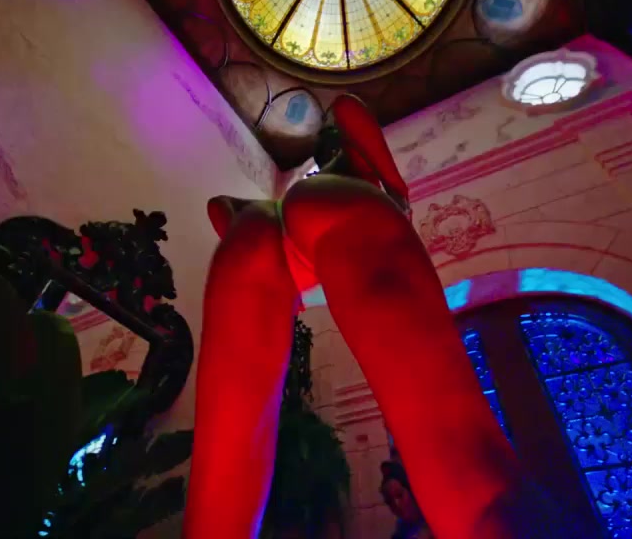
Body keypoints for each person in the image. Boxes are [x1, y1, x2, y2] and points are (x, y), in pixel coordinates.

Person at [183, 94, 531, 539]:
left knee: (228, 455)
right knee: (444, 426)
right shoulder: (350, 169)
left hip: (251, 229)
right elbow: (349, 107)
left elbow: (221, 206)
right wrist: (396, 192)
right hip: (337, 206)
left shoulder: (302, 184)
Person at [380, 461, 434, 539]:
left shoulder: (436, 523)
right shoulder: (400, 533)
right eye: (390, 502)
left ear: (412, 492)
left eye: (399, 495)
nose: (396, 504)